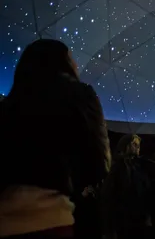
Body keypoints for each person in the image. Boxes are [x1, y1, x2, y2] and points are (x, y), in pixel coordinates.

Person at [0, 39, 111, 239]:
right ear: (64, 62)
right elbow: (98, 164)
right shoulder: (81, 95)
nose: (77, 65)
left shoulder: (7, 107)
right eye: (72, 59)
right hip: (51, 221)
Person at [102, 134, 155, 239]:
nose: (137, 147)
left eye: (138, 145)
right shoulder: (116, 167)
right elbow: (108, 197)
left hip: (137, 220)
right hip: (122, 221)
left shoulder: (139, 167)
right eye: (134, 144)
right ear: (125, 146)